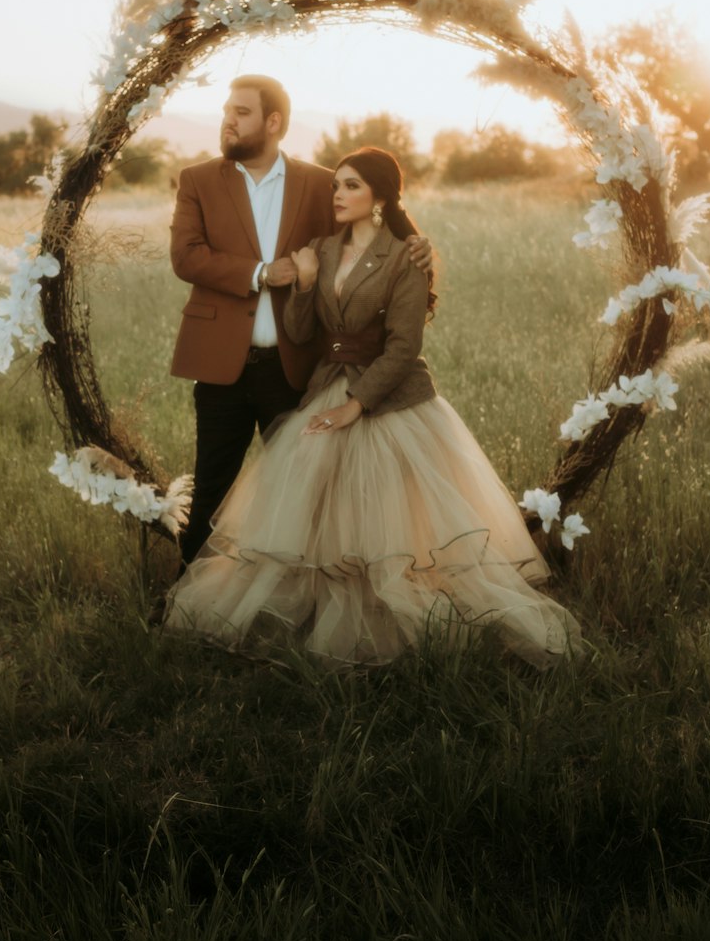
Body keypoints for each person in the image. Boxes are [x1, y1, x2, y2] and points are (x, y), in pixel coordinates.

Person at [164, 146, 581, 669]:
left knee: (387, 518)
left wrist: (356, 405)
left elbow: (405, 347)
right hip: (326, 385)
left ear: (379, 197)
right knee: (317, 510)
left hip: (389, 399)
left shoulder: (405, 256)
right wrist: (307, 282)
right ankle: (317, 611)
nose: (337, 195)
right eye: (336, 185)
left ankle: (389, 618)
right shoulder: (320, 248)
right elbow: (298, 330)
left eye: (351, 186)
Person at [169, 77, 431, 567]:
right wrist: (261, 273)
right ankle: (186, 596)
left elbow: (366, 229)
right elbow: (185, 257)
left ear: (274, 123)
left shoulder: (319, 182)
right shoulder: (197, 180)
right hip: (220, 364)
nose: (228, 119)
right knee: (211, 489)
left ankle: (298, 597)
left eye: (242, 111)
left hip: (296, 367)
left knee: (302, 495)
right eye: (226, 109)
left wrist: (415, 242)